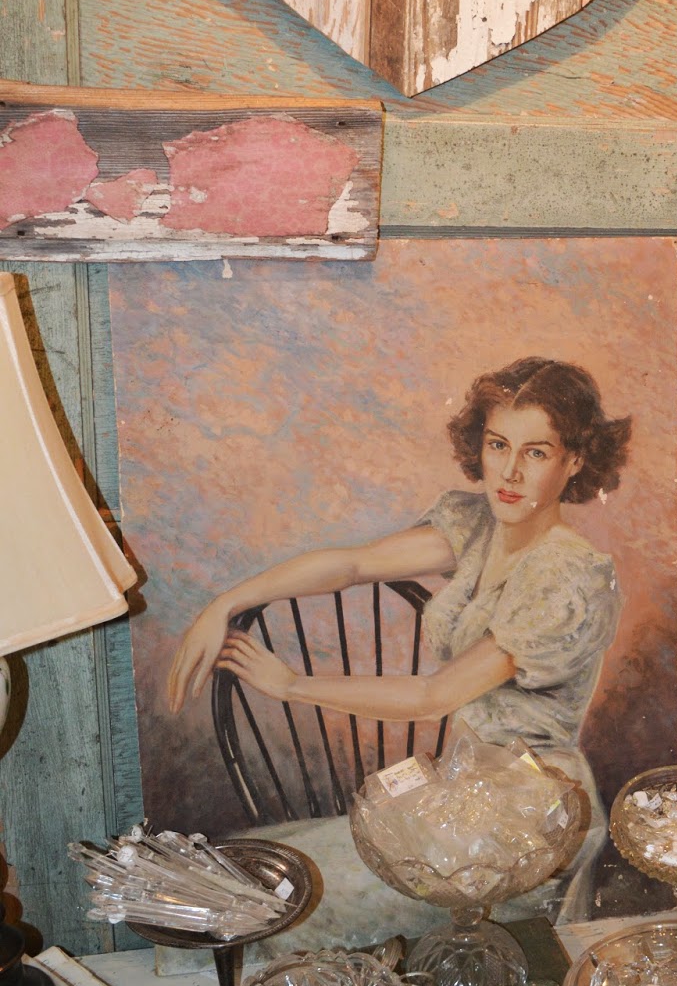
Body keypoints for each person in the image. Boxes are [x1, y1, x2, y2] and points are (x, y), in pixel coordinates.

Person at [168, 356, 631, 917]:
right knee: (265, 867)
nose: (509, 472)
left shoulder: (568, 575)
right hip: (465, 788)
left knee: (279, 895)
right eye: (497, 445)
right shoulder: (480, 525)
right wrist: (226, 602)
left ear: (574, 460)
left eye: (535, 453)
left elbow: (432, 697)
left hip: (534, 810)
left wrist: (291, 686)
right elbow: (352, 564)